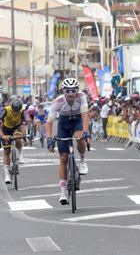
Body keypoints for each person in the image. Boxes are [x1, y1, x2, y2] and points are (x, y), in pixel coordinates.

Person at [45, 77, 91, 205]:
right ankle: (63, 192)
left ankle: (82, 161)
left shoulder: (82, 96)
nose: (71, 93)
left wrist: (85, 131)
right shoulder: (58, 102)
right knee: (63, 158)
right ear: (63, 91)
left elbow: (85, 115)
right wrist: (49, 139)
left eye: (73, 90)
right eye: (68, 90)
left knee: (79, 136)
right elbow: (48, 123)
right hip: (63, 125)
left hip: (77, 122)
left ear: (77, 90)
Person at [0, 98, 27, 184]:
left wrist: (24, 136)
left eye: (17, 112)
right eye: (13, 111)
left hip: (17, 127)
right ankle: (7, 175)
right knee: (7, 151)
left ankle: (20, 154)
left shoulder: (23, 111)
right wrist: (2, 136)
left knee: (18, 136)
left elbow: (23, 125)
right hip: (6, 129)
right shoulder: (5, 110)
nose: (15, 113)